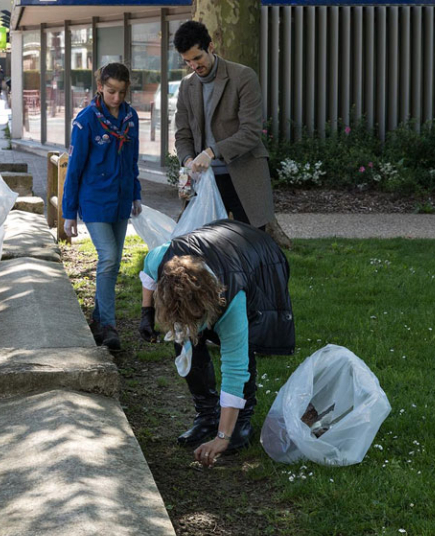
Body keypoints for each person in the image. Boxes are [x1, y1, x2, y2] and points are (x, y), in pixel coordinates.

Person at [138, 220, 295, 466]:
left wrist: (223, 438)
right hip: (219, 245)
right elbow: (148, 275)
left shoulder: (232, 298)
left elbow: (235, 369)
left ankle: (240, 426)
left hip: (260, 257)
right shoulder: (161, 260)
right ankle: (207, 416)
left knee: (245, 345)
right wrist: (146, 312)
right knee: (185, 341)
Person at [173, 20, 292, 249]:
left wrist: (211, 152)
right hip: (204, 182)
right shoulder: (186, 86)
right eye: (187, 61)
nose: (194, 66)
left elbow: (251, 132)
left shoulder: (243, 77)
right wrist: (188, 160)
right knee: (202, 250)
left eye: (197, 58)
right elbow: (182, 135)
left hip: (244, 176)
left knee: (251, 248)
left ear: (211, 46)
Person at [62, 63, 143, 352]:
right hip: (95, 200)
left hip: (120, 200)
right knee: (108, 258)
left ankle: (98, 319)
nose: (117, 98)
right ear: (100, 87)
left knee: (113, 262)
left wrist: (136, 195)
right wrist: (68, 212)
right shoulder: (86, 121)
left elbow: (131, 161)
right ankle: (109, 324)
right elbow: (74, 169)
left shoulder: (131, 117)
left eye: (122, 92)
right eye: (111, 91)